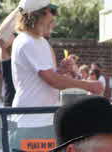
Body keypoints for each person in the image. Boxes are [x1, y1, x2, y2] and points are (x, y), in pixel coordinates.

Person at [10, 0, 103, 144]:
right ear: (40, 14)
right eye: (51, 11)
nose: (54, 17)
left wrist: (61, 70)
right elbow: (52, 80)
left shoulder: (36, 41)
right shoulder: (28, 41)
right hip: (32, 123)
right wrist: (88, 85)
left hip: (39, 120)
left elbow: (48, 78)